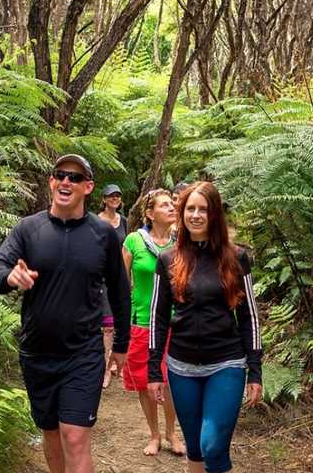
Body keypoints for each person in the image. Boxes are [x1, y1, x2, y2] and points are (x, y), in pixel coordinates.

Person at [0, 155, 131, 473]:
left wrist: (121, 345)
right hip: (38, 353)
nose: (66, 182)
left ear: (88, 187)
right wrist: (11, 277)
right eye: (60, 175)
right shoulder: (28, 229)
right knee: (51, 434)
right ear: (51, 182)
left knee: (75, 437)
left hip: (84, 352)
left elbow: (120, 292)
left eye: (75, 178)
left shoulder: (102, 234)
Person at [148, 181, 263, 473]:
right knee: (196, 449)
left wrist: (255, 370)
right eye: (190, 208)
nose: (196, 215)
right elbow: (158, 318)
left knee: (213, 445)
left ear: (214, 216)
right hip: (181, 367)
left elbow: (249, 316)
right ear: (182, 213)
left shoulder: (236, 258)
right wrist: (153, 370)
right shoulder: (168, 259)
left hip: (226, 364)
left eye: (204, 209)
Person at [120, 189, 186, 457]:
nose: (172, 208)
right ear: (150, 213)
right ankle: (154, 434)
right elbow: (121, 284)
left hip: (175, 321)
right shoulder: (133, 241)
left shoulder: (182, 242)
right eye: (164, 205)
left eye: (172, 204)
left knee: (171, 379)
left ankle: (172, 433)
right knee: (145, 380)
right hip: (143, 321)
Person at [98, 183, 128, 387]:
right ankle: (105, 370)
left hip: (119, 277)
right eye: (110, 196)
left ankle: (113, 362)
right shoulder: (96, 221)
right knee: (107, 327)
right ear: (104, 199)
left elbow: (127, 250)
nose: (114, 199)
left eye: (117, 196)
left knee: (118, 323)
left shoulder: (124, 221)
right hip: (100, 278)